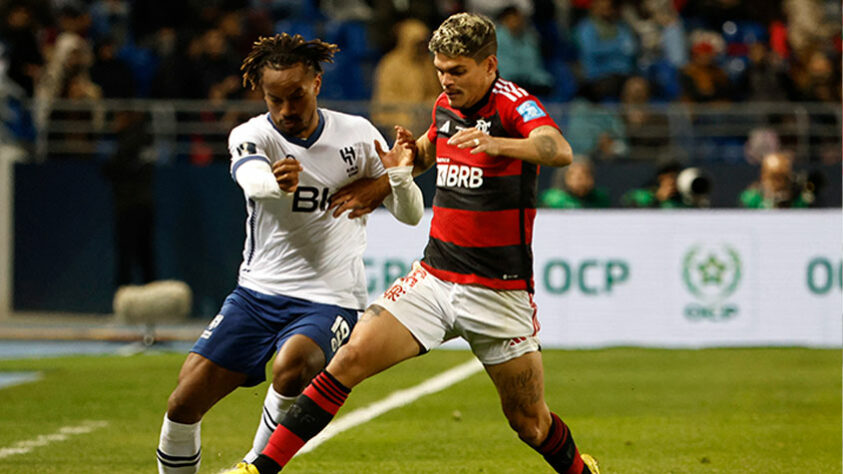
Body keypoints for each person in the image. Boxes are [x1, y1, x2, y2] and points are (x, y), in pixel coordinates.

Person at [227, 12, 599, 474]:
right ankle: (259, 467)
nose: (446, 80)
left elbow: (557, 149)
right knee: (349, 360)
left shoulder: (513, 105)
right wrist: (401, 162)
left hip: (498, 292)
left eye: (457, 70)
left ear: (489, 65)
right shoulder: (445, 105)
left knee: (529, 423)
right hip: (435, 279)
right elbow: (427, 151)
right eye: (441, 70)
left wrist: (498, 145)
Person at [156, 33, 424, 474]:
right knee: (183, 401)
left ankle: (255, 467)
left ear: (316, 83)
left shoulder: (356, 134)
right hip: (256, 294)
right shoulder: (252, 135)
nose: (285, 111)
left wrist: (397, 177)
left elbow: (411, 216)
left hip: (331, 297)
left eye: (295, 96)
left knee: (293, 367)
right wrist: (276, 184)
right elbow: (252, 181)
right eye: (274, 99)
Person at [371, 18, 442, 136]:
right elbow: (386, 99)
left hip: (425, 119)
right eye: (417, 43)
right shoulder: (390, 64)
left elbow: (435, 93)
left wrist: (428, 107)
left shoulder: (428, 64)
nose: (421, 47)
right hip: (398, 119)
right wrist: (411, 113)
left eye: (423, 43)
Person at [739, 152, 808, 208]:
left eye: (781, 178)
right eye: (773, 177)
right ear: (763, 176)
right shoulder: (752, 197)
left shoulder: (797, 199)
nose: (777, 183)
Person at [540, 156, 610, 209]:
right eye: (579, 178)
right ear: (566, 178)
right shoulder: (552, 199)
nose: (583, 182)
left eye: (588, 176)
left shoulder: (600, 199)